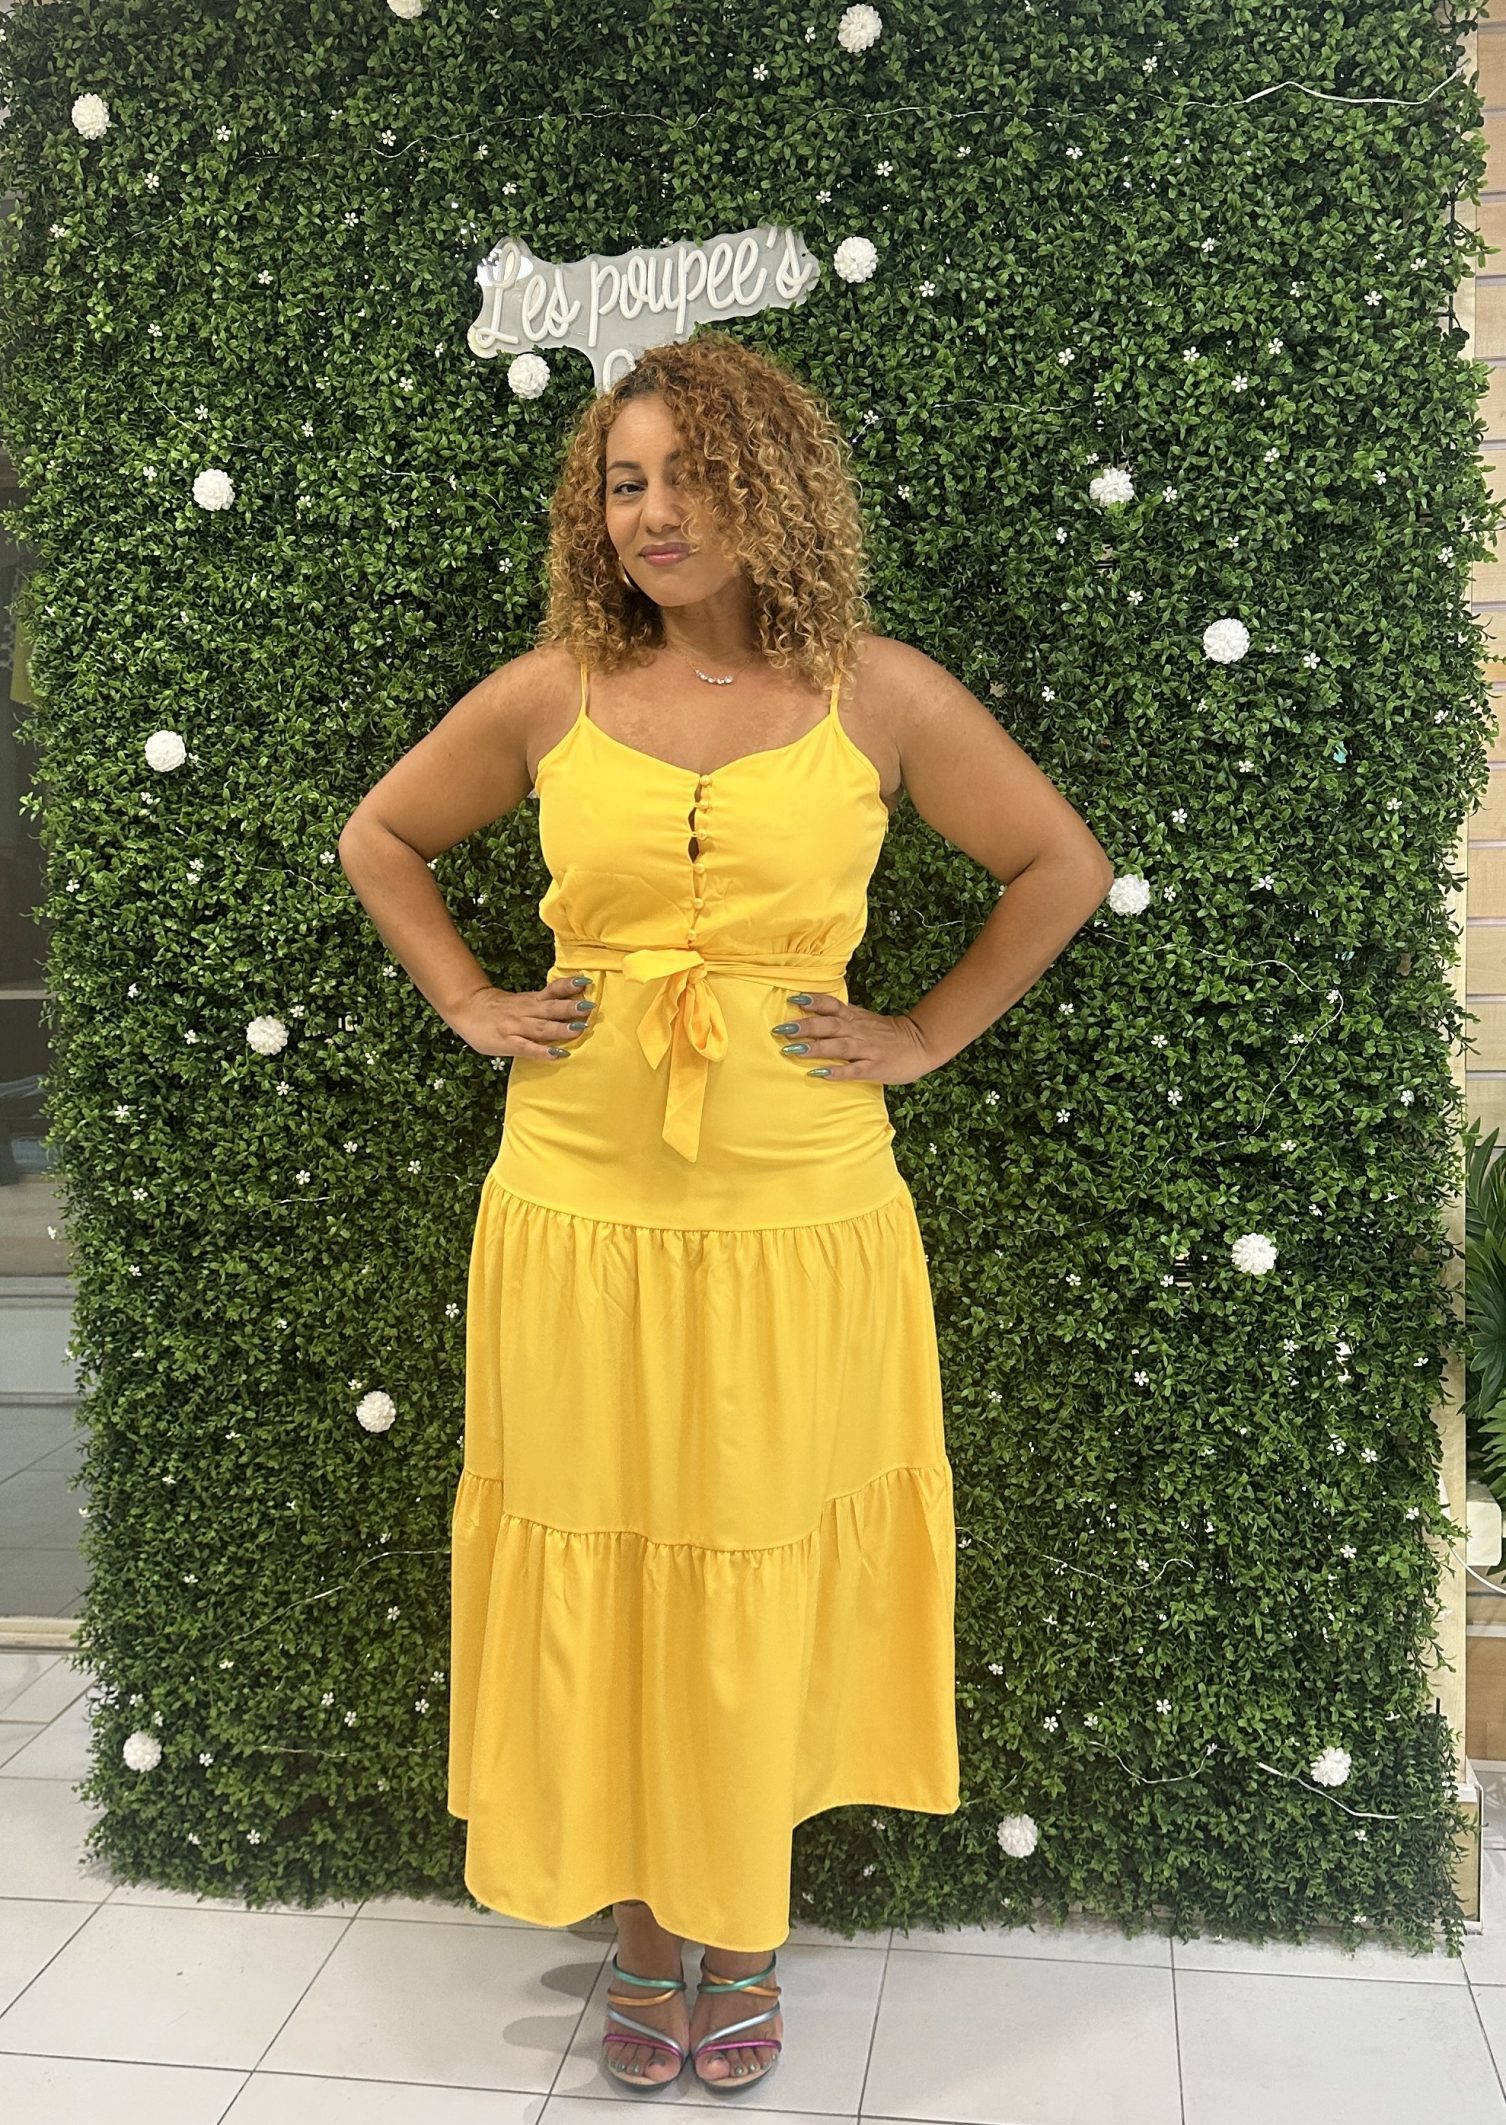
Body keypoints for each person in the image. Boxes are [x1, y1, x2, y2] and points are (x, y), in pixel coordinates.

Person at [337, 330, 1115, 2093]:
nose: (655, 511)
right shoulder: (549, 693)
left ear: (776, 487)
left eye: (691, 474)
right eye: (624, 481)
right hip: (574, 1202)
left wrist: (922, 1032)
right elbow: (381, 836)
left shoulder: (878, 696)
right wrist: (469, 1000)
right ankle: (640, 1930)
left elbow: (1058, 864)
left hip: (798, 1209)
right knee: (607, 1538)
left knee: (754, 1541)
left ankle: (741, 1926)